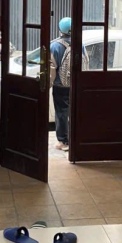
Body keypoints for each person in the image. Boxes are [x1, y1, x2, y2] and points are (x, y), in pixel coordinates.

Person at [49, 17, 74, 151]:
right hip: (75, 84)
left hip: (60, 85)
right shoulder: (80, 44)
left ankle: (63, 141)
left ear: (60, 29)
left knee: (62, 112)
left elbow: (52, 68)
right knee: (74, 111)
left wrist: (49, 83)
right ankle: (75, 139)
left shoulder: (55, 46)